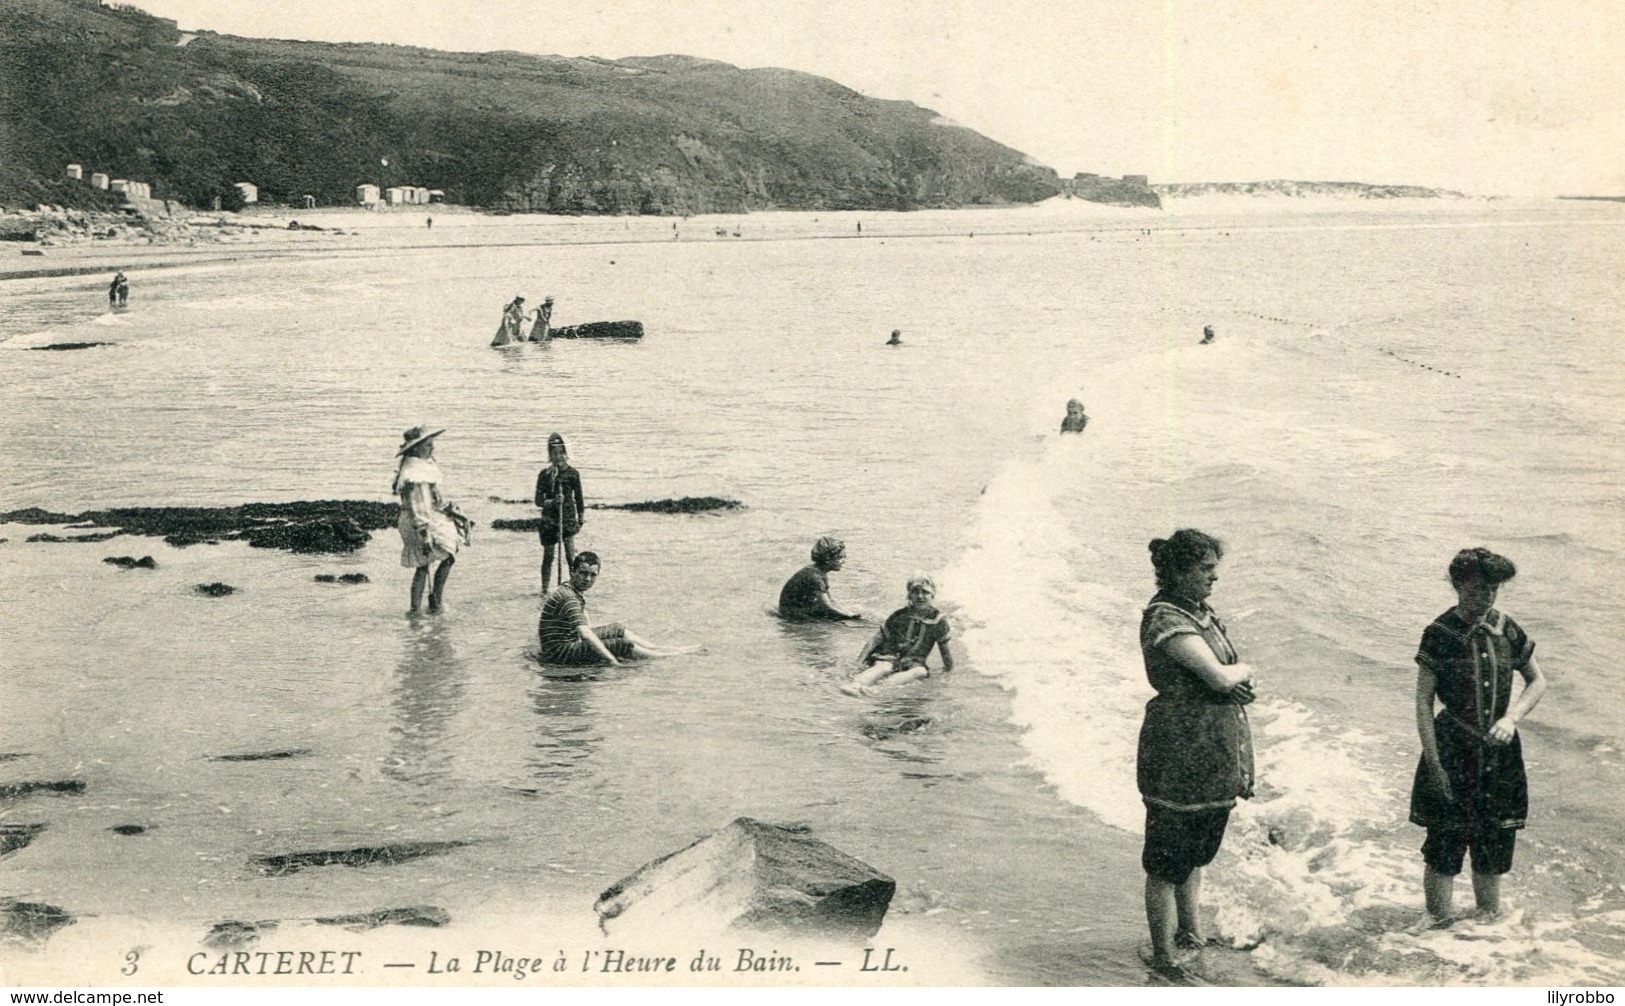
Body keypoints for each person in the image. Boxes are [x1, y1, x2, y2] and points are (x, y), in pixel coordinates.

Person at [1136, 529, 1256, 975]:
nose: (1214, 578)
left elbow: (1223, 680)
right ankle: (1164, 957)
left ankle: (1191, 932)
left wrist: (1234, 678)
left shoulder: (1198, 613)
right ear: (1179, 571)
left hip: (1210, 750)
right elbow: (1221, 678)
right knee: (1166, 860)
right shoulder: (1165, 618)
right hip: (1178, 750)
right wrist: (1241, 672)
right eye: (1206, 569)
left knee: (1195, 850)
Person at [1409, 547, 1547, 921]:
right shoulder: (1439, 633)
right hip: (1452, 750)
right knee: (1444, 847)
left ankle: (1484, 939)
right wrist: (1435, 764)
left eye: (1492, 590)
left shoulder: (1508, 628)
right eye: (1476, 590)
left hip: (1500, 754)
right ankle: (1437, 929)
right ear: (1457, 586)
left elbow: (1537, 681)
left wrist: (1512, 718)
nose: (1485, 597)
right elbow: (1423, 703)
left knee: (1493, 845)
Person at [537, 551, 701, 664]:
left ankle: (658, 649)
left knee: (617, 628)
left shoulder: (569, 589)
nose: (588, 579)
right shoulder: (569, 598)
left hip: (565, 643)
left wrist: (602, 639)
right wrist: (612, 661)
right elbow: (585, 634)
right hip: (559, 653)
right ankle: (660, 657)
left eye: (593, 575)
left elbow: (586, 625)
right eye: (583, 573)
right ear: (573, 572)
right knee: (621, 644)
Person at [393, 426, 467, 616]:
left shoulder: (419, 465)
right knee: (430, 562)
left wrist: (448, 508)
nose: (431, 449)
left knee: (432, 561)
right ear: (416, 448)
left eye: (432, 445)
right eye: (427, 445)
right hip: (418, 521)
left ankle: (425, 605)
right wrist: (424, 533)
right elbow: (419, 505)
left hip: (420, 518)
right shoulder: (414, 473)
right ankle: (425, 606)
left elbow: (432, 499)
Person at [842, 574, 954, 694]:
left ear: (933, 594)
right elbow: (875, 640)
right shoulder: (900, 615)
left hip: (913, 662)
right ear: (909, 595)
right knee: (884, 667)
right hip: (890, 656)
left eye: (925, 592)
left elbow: (945, 652)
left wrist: (948, 673)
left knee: (921, 672)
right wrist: (858, 663)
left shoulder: (938, 620)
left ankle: (878, 689)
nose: (920, 596)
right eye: (915, 592)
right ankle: (856, 684)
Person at [534, 432, 584, 587]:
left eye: (562, 453)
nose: (558, 457)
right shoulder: (544, 475)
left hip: (567, 518)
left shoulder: (573, 474)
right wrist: (552, 502)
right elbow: (538, 501)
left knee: (570, 557)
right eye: (554, 453)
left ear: (567, 454)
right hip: (549, 520)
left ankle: (574, 589)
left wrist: (580, 518)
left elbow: (579, 499)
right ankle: (545, 591)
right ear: (549, 455)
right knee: (548, 557)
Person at [778, 537, 860, 620]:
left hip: (796, 609)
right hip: (791, 614)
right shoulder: (814, 577)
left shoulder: (819, 572)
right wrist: (850, 618)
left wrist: (849, 613)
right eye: (840, 558)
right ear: (828, 559)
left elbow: (831, 600)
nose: (844, 561)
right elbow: (827, 606)